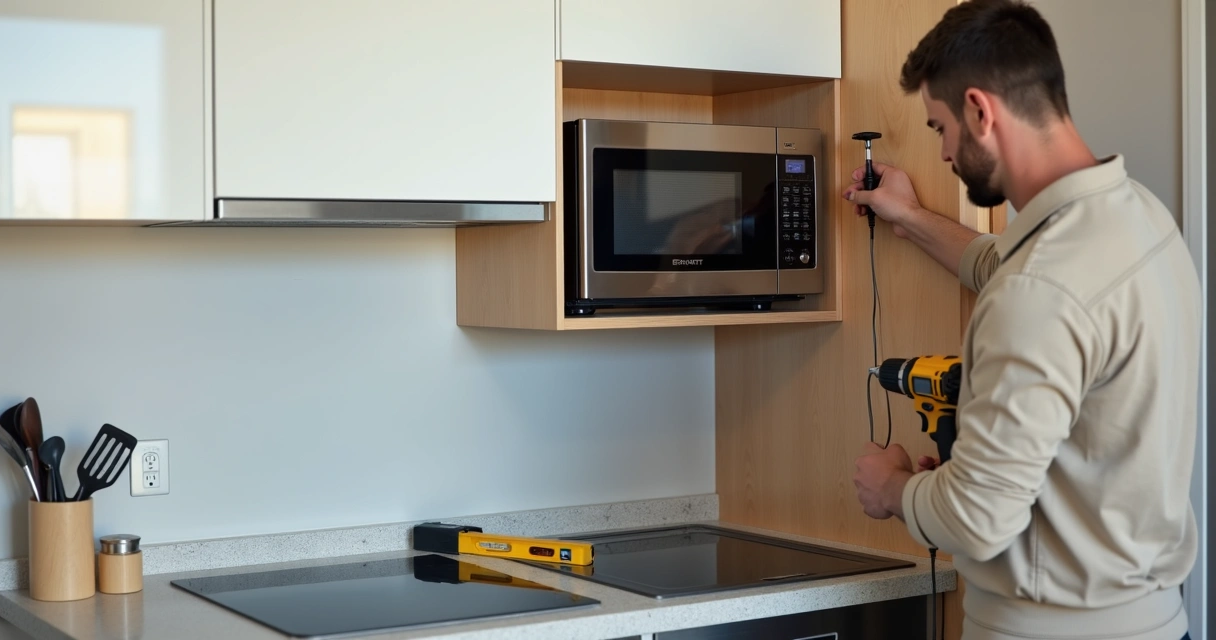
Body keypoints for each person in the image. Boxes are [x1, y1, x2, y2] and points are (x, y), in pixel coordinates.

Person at [844, 1, 1200, 639]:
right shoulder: (1140, 219)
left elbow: (978, 516)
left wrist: (893, 488)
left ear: (980, 111)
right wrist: (909, 217)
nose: (945, 152)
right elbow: (999, 264)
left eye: (939, 128)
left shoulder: (1039, 290)